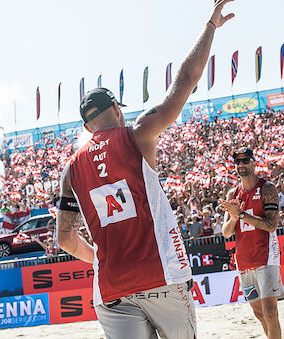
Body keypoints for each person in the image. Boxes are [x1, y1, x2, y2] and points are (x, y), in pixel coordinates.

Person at [55, 1, 235, 337]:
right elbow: (186, 79)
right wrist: (210, 26)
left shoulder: (70, 169)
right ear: (117, 111)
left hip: (110, 288)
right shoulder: (138, 135)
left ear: (88, 126)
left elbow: (65, 239)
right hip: (161, 274)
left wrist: (99, 259)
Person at [220, 147, 284, 339]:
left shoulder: (267, 188)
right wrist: (234, 218)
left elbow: (271, 225)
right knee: (259, 314)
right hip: (244, 259)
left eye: (245, 161)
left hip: (266, 256)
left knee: (270, 312)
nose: (241, 165)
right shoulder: (233, 193)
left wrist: (241, 215)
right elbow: (226, 232)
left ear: (254, 163)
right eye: (238, 162)